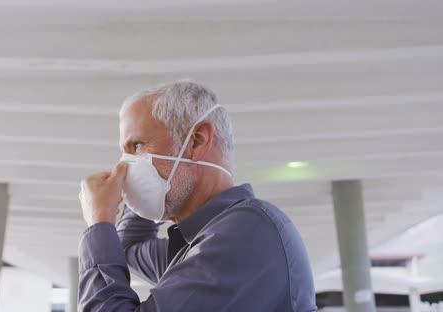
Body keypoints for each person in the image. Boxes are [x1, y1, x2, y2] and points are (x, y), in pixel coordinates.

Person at [78, 80, 317, 311]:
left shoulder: (245, 232)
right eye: (125, 155)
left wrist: (100, 218)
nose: (124, 166)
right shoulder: (199, 242)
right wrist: (137, 186)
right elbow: (130, 247)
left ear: (197, 141)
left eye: (137, 146)